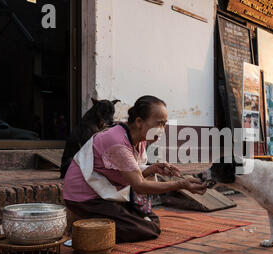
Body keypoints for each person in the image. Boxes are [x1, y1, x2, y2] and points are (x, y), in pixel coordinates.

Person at [63, 95, 207, 243]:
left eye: (165, 124)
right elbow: (139, 185)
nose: (162, 130)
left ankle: (98, 223)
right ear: (139, 122)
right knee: (147, 229)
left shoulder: (139, 139)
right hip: (84, 198)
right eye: (159, 124)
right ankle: (85, 231)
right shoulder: (117, 142)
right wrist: (181, 185)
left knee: (150, 219)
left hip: (105, 193)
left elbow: (129, 170)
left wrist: (153, 168)